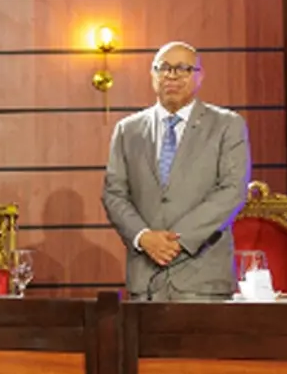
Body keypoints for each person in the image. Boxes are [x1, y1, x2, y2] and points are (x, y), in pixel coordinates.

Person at [101, 42, 250, 302]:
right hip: (145, 280)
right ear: (152, 75)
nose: (172, 75)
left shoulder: (227, 125)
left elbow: (232, 191)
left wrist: (176, 241)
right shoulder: (128, 130)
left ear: (200, 76)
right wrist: (144, 237)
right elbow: (114, 194)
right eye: (164, 68)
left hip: (203, 280)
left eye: (183, 68)